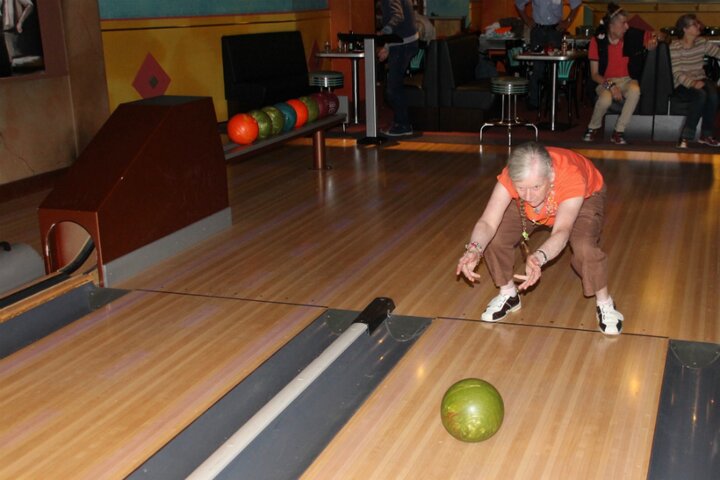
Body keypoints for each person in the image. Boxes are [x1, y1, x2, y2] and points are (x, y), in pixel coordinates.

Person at [455, 142, 625, 335]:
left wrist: (539, 257)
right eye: (521, 188)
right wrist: (474, 249)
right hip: (538, 200)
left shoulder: (571, 176)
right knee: (496, 237)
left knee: (584, 246)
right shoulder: (512, 177)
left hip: (585, 197)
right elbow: (487, 223)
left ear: (550, 176)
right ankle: (509, 294)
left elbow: (562, 230)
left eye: (536, 187)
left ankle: (605, 302)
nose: (528, 195)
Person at [582, 3, 657, 145]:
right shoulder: (597, 41)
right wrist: (611, 85)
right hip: (604, 81)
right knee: (605, 99)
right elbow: (594, 74)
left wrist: (654, 41)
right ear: (611, 25)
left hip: (627, 79)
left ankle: (618, 131)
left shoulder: (631, 36)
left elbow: (655, 35)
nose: (627, 27)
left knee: (635, 90)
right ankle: (592, 127)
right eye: (623, 23)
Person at [515, 0, 583, 110]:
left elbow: (576, 3)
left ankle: (552, 100)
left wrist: (568, 21)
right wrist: (527, 20)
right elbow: (519, 4)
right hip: (537, 31)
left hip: (555, 31)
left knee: (554, 68)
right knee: (537, 68)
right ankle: (534, 101)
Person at [669, 14, 720, 148]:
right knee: (700, 95)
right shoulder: (675, 46)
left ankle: (706, 135)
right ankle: (685, 136)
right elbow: (677, 73)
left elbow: (718, 53)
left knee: (714, 94)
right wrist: (692, 83)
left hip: (701, 78)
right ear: (685, 29)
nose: (698, 26)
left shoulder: (702, 43)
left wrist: (698, 82)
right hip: (682, 84)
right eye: (694, 24)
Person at [377, 0, 419, 137]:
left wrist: (386, 29)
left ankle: (403, 125)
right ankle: (399, 123)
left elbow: (398, 16)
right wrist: (388, 47)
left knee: (393, 87)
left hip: (403, 45)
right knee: (395, 85)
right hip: (405, 42)